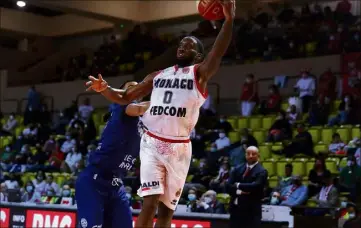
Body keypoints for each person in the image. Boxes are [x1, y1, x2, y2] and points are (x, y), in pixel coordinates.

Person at [85, 1, 235, 227]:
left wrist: (229, 20)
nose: (182, 47)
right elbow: (126, 96)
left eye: (189, 45)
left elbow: (218, 51)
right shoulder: (158, 75)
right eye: (181, 44)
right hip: (153, 143)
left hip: (180, 148)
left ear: (198, 55)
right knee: (150, 202)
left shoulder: (199, 74)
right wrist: (105, 89)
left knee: (166, 211)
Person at [75, 81, 150, 228]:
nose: (135, 88)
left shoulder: (143, 120)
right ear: (120, 94)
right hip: (94, 180)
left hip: (116, 184)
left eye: (137, 87)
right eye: (130, 86)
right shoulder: (123, 106)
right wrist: (168, 101)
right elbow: (142, 107)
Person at [227, 146, 268, 228]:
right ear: (245, 155)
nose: (250, 156)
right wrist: (239, 192)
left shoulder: (262, 171)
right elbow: (228, 186)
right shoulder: (237, 168)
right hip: (236, 209)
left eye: (253, 154)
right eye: (248, 153)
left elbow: (255, 186)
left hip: (251, 211)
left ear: (258, 155)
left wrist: (238, 185)